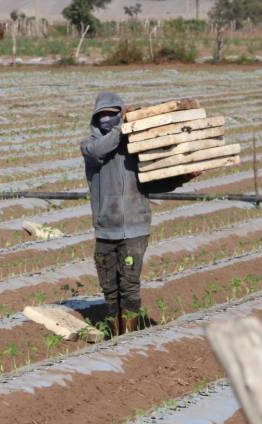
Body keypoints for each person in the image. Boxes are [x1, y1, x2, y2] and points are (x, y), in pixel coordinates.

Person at [81, 92, 195, 336]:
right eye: (102, 115)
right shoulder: (90, 148)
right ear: (95, 118)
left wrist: (181, 177)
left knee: (129, 287)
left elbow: (151, 184)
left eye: (113, 114)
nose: (107, 119)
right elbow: (101, 148)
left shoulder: (136, 149)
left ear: (119, 114)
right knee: (109, 288)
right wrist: (122, 127)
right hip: (105, 229)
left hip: (134, 229)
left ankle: (129, 337)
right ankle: (115, 333)